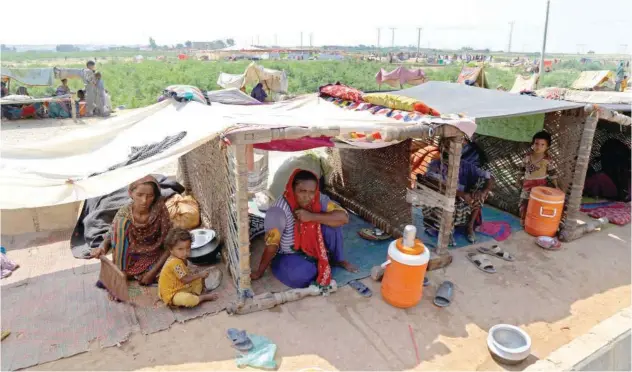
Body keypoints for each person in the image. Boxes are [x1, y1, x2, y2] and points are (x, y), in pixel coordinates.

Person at [251, 169, 357, 288]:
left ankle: (337, 259)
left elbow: (344, 218)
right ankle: (313, 262)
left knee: (334, 224)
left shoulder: (317, 199)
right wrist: (260, 271)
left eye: (312, 192)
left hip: (313, 246)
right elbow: (271, 247)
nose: (308, 197)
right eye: (302, 191)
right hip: (289, 253)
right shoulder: (278, 211)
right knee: (302, 276)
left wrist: (311, 216)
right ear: (292, 189)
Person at [91, 175, 171, 286]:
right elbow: (111, 235)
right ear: (131, 194)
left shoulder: (160, 209)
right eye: (139, 195)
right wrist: (102, 248)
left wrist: (152, 273)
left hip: (155, 254)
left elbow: (170, 242)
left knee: (174, 267)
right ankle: (121, 272)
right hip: (132, 257)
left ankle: (126, 275)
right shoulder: (124, 212)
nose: (144, 201)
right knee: (121, 224)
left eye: (150, 196)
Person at [422, 139, 495, 244]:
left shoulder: (465, 165)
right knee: (444, 200)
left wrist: (483, 192)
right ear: (441, 148)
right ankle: (446, 231)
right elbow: (432, 183)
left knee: (478, 193)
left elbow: (490, 177)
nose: (448, 151)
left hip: (458, 201)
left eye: (452, 148)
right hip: (439, 201)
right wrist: (461, 194)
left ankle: (469, 227)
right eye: (446, 147)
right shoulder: (435, 164)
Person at [158, 228, 219, 307]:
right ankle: (202, 298)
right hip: (172, 294)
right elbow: (185, 279)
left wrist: (195, 274)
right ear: (171, 249)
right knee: (188, 299)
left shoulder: (178, 258)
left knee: (196, 279)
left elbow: (184, 274)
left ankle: (198, 291)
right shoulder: (174, 263)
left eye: (188, 248)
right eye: (180, 249)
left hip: (178, 286)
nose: (185, 253)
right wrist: (199, 275)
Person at [518, 131, 559, 226]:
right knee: (523, 203)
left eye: (542, 145)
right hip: (527, 184)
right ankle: (524, 220)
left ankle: (534, 221)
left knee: (537, 204)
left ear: (547, 147)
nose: (538, 147)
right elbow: (522, 169)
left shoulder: (547, 160)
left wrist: (556, 186)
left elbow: (552, 173)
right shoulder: (527, 157)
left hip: (540, 186)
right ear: (533, 144)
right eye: (536, 143)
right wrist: (518, 179)